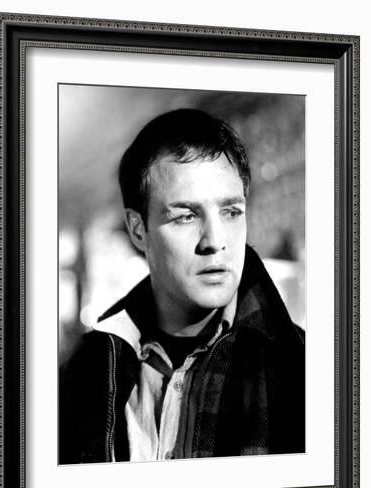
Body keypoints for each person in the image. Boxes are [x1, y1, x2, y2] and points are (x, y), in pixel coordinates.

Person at [59, 108, 305, 464]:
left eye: (231, 212)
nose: (215, 241)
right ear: (137, 229)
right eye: (186, 216)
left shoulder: (301, 371)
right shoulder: (89, 370)